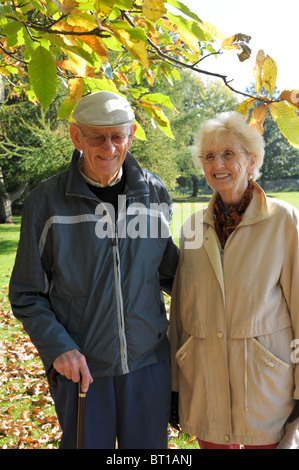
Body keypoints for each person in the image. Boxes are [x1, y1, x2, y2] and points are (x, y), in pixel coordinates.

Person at [9, 91, 179, 449]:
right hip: (82, 369)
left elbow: (172, 273)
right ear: (76, 137)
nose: (109, 147)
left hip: (148, 365)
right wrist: (59, 349)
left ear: (131, 135)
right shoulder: (47, 201)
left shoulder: (155, 193)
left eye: (118, 136)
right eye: (97, 136)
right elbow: (26, 292)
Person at [168, 111, 299, 449]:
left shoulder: (284, 222)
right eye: (209, 156)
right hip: (205, 383)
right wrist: (175, 384)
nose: (218, 163)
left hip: (265, 385)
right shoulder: (192, 228)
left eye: (229, 153)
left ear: (252, 160)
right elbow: (180, 313)